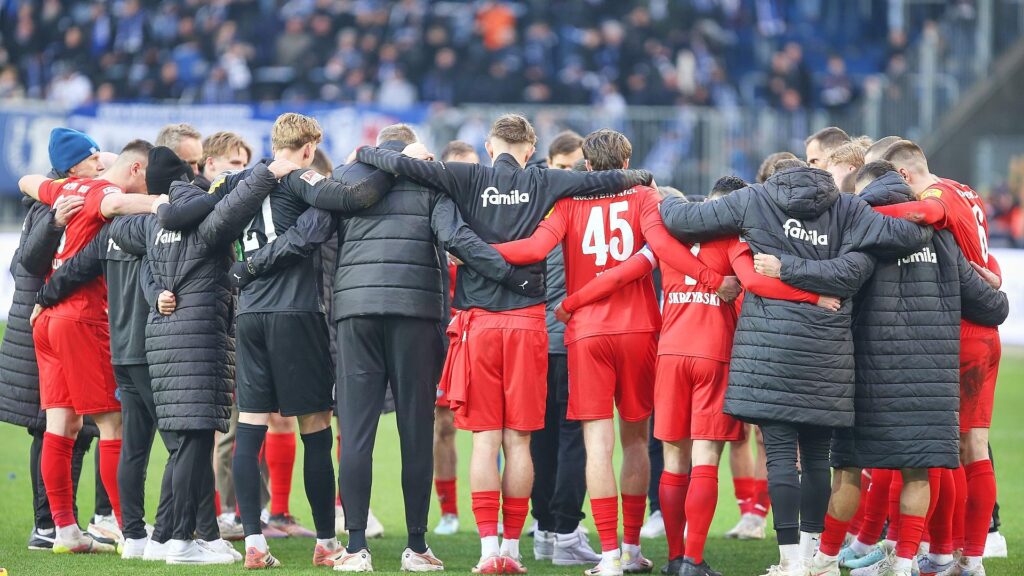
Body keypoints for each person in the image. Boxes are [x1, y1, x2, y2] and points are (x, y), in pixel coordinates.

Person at [355, 114, 655, 574]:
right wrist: (636, 176)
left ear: (490, 148)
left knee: (483, 442)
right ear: (531, 150)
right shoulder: (545, 181)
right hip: (530, 323)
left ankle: (488, 551)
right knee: (520, 442)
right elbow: (605, 179)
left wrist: (372, 151)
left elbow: (406, 169)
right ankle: (514, 550)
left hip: (478, 324)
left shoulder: (466, 175)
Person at [545, 178, 837, 576]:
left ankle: (672, 557)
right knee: (704, 460)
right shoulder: (734, 241)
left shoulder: (668, 240)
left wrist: (571, 303)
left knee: (673, 460)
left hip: (670, 353)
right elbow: (752, 283)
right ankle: (693, 561)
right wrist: (814, 296)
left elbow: (622, 272)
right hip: (713, 355)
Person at [659, 158, 932, 576]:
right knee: (818, 459)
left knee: (782, 458)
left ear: (776, 178)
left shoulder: (754, 198)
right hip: (827, 353)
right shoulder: (848, 208)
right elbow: (910, 234)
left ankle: (788, 560)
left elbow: (681, 217)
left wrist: (643, 195)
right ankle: (808, 557)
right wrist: (934, 208)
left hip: (769, 351)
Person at [491, 130, 737, 576]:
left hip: (586, 334)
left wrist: (473, 251)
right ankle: (630, 548)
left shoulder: (567, 204)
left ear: (586, 166)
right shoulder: (646, 195)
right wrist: (710, 279)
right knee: (637, 441)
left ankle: (607, 558)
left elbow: (532, 250)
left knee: (597, 446)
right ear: (628, 159)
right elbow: (662, 250)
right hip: (640, 329)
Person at [758, 160, 1009, 576]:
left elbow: (838, 278)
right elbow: (993, 307)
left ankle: (825, 558)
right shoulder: (943, 243)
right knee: (917, 474)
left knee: (849, 473)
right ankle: (905, 560)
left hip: (869, 379)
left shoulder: (864, 239)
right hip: (931, 381)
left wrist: (786, 268)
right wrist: (992, 277)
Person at [33, 147, 234, 562]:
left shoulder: (111, 230)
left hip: (120, 349)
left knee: (130, 446)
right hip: (156, 348)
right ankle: (176, 537)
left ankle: (135, 536)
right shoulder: (153, 226)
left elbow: (75, 269)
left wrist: (44, 298)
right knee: (185, 444)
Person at [110, 151, 302, 564]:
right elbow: (234, 205)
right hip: (197, 343)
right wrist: (266, 173)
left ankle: (163, 536)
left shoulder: (151, 226)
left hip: (164, 343)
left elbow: (123, 231)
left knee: (185, 446)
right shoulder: (205, 226)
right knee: (194, 444)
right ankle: (181, 542)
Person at [20, 138, 160, 554]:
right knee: (113, 424)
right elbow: (116, 205)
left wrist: (67, 182)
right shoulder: (103, 191)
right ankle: (129, 529)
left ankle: (65, 531)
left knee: (62, 425)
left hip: (46, 319)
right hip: (81, 317)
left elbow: (27, 180)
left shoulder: (64, 188)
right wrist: (161, 202)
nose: (101, 161)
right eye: (95, 156)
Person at [875, 142, 1003, 576]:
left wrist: (858, 215)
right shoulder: (964, 189)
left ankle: (946, 552)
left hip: (960, 328)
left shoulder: (935, 198)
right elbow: (987, 262)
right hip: (987, 333)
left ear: (904, 176)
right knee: (974, 447)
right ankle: (971, 559)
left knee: (941, 450)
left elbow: (927, 216)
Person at [0, 172, 93, 551]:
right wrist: (55, 221)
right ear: (72, 168)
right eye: (91, 160)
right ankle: (49, 524)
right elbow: (25, 264)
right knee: (52, 428)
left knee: (68, 430)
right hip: (45, 329)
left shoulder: (58, 199)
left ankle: (60, 522)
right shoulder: (52, 206)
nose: (98, 168)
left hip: (45, 326)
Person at [527, 131, 602, 567]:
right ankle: (564, 531)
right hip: (568, 335)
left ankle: (545, 529)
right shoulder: (585, 206)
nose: (571, 176)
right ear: (550, 164)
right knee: (570, 437)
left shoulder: (532, 203)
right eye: (565, 168)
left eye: (578, 168)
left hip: (544, 337)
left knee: (542, 437)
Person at [432, 140, 482, 538]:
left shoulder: (495, 214)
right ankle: (448, 511)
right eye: (460, 170)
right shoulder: (431, 212)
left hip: (486, 329)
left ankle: (498, 512)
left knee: (497, 425)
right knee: (443, 424)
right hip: (444, 332)